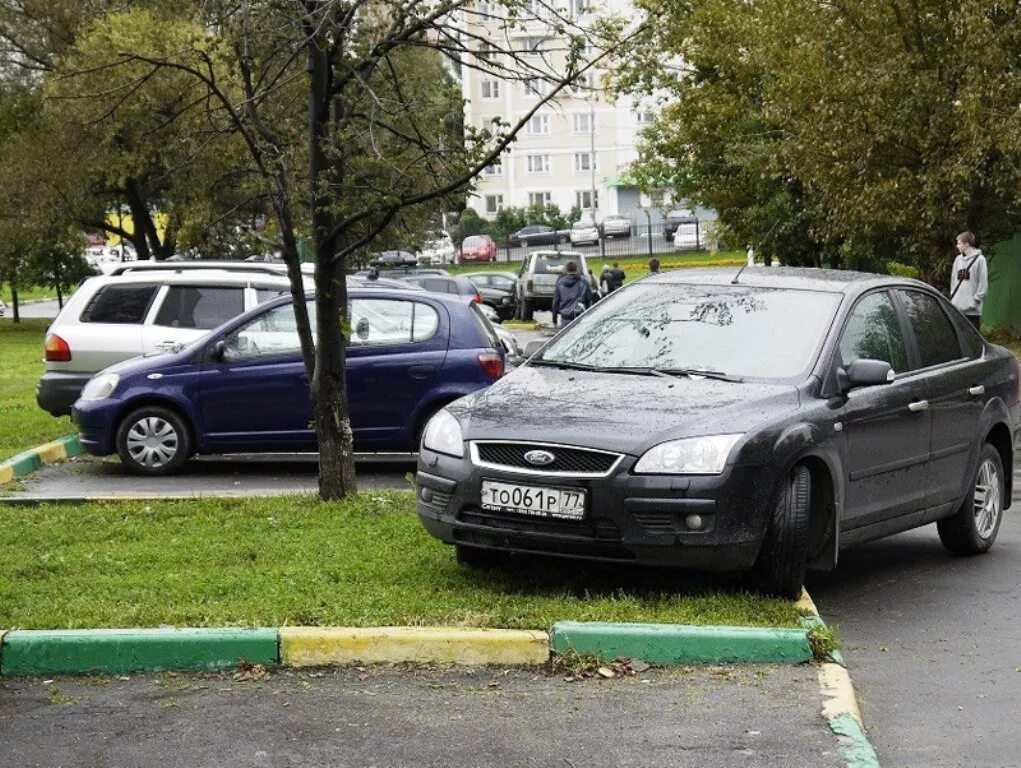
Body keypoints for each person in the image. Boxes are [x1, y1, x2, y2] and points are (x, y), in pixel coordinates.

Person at [950, 231, 987, 330]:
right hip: (957, 308)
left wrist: (974, 301)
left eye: (959, 243)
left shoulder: (980, 260)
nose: (957, 246)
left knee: (973, 339)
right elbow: (953, 281)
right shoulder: (957, 259)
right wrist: (954, 300)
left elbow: (983, 284)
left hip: (972, 311)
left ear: (966, 244)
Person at [551, 260, 593, 327]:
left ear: (566, 269)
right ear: (576, 269)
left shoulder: (560, 283)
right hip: (580, 316)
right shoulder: (584, 282)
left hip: (565, 317)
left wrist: (554, 318)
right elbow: (589, 299)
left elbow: (556, 301)